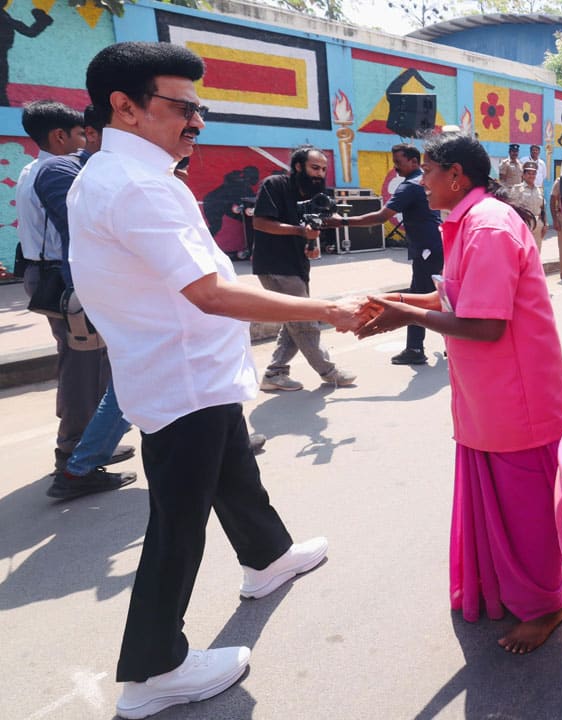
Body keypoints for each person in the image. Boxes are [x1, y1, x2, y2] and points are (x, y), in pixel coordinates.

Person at [68, 41, 360, 718]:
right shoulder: (139, 185)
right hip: (182, 378)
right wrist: (328, 309)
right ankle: (153, 670)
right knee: (178, 523)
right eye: (182, 107)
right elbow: (211, 294)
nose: (196, 122)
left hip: (195, 373)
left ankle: (268, 557)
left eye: (199, 108)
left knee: (235, 471)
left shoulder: (119, 173)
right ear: (125, 107)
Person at [353, 132, 562, 654]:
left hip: (516, 399)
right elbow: (453, 294)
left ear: (456, 177)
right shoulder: (468, 222)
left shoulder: (489, 227)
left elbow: (485, 325)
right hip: (486, 396)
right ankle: (504, 590)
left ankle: (548, 606)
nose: (419, 181)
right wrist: (394, 300)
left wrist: (406, 314)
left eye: (426, 171)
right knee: (499, 504)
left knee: (525, 512)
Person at [17, 100, 134, 477]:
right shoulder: (56, 169)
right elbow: (80, 226)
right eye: (83, 133)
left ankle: (90, 443)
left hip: (49, 272)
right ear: (59, 135)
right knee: (83, 365)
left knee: (92, 361)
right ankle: (74, 452)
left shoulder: (33, 167)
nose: (87, 141)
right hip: (60, 277)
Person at [252, 145, 356, 390]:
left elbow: (311, 225)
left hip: (297, 264)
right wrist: (300, 231)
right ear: (298, 166)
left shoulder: (311, 194)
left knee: (294, 321)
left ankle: (274, 373)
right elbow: (261, 222)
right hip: (275, 264)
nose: (319, 174)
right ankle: (329, 372)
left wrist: (311, 241)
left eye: (323, 169)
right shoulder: (274, 185)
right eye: (314, 168)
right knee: (305, 319)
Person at [328, 143, 442, 365]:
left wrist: (341, 221)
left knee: (417, 302)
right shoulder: (424, 181)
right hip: (433, 246)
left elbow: (381, 216)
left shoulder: (409, 186)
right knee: (430, 297)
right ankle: (433, 344)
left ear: (413, 162)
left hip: (427, 250)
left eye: (399, 162)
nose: (396, 168)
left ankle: (417, 348)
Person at [508, 161, 547, 251]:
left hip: (538, 225)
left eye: (533, 174)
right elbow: (512, 209)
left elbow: (543, 208)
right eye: (529, 173)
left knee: (536, 252)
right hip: (524, 224)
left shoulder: (539, 190)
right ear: (523, 175)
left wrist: (545, 224)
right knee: (524, 252)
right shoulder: (517, 189)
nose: (531, 176)